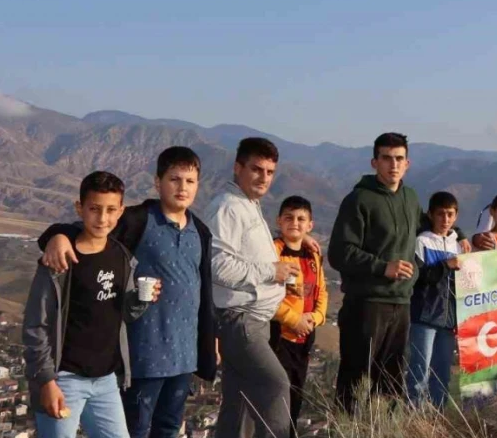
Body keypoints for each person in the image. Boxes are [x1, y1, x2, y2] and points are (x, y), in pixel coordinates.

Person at [36, 147, 217, 438]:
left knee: (169, 428)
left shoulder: (202, 232)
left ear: (198, 185)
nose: (182, 187)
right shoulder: (138, 219)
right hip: (143, 354)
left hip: (185, 357)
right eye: (174, 179)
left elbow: (203, 294)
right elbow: (92, 227)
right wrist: (56, 236)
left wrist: (210, 339)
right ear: (158, 183)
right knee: (137, 430)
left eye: (190, 181)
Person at [24, 171, 159, 438]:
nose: (103, 218)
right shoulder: (60, 261)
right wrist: (46, 380)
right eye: (95, 209)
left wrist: (142, 300)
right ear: (80, 208)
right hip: (64, 379)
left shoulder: (122, 256)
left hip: (106, 380)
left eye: (111, 210)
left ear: (121, 211)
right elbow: (35, 325)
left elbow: (125, 314)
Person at [205, 137, 295, 438]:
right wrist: (271, 271)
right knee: (275, 385)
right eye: (257, 169)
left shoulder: (247, 205)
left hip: (251, 321)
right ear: (238, 167)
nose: (264, 178)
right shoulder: (227, 207)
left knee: (237, 406)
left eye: (270, 172)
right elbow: (218, 266)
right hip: (239, 320)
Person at [329, 132, 422, 411]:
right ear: (374, 162)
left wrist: (464, 235)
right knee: (356, 383)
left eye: (399, 159)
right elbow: (340, 252)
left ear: (408, 163)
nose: (393, 165)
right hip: (366, 305)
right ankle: (347, 430)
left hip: (401, 304)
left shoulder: (411, 198)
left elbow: (427, 228)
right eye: (386, 158)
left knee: (391, 384)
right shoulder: (358, 200)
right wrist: (384, 268)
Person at [270, 196, 327, 436]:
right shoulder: (273, 251)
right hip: (278, 337)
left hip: (305, 340)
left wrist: (315, 318)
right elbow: (267, 297)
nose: (295, 223)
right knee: (276, 401)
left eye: (301, 219)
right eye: (289, 218)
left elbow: (321, 291)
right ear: (279, 221)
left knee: (295, 398)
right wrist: (293, 318)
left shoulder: (312, 254)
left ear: (310, 225)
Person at [406, 191, 461, 409]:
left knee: (442, 373)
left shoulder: (458, 244)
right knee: (419, 370)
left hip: (448, 319)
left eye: (450, 214)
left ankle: (438, 419)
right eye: (440, 214)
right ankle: (415, 420)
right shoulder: (421, 242)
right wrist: (445, 266)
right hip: (424, 316)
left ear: (456, 216)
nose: (445, 219)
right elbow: (417, 278)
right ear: (430, 215)